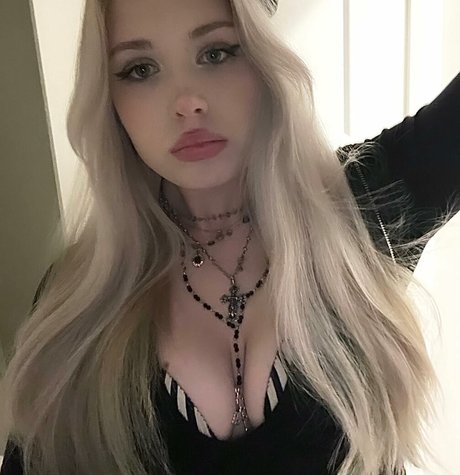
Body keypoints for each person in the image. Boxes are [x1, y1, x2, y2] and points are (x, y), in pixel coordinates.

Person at [1, 0, 459, 473]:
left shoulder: (359, 208)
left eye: (216, 53)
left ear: (264, 61)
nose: (187, 101)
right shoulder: (79, 303)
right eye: (140, 69)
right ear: (110, 100)